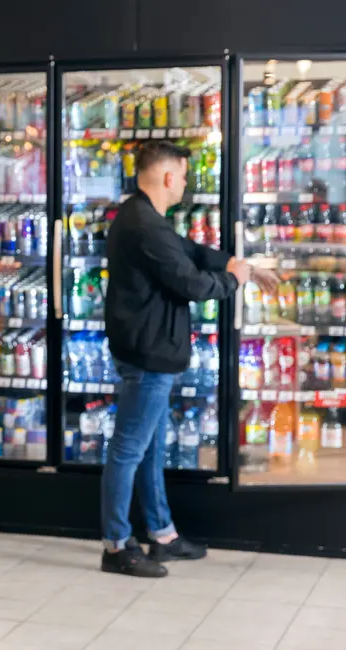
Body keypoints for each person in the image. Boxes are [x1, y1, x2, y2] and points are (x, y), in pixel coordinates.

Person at [102, 140, 277, 578]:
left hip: (149, 350)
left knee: (149, 449)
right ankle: (116, 545)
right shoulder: (144, 225)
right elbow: (194, 283)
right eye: (182, 174)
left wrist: (242, 265)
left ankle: (161, 534)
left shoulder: (141, 215)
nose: (184, 182)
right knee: (127, 451)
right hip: (148, 356)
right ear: (167, 176)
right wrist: (234, 279)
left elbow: (191, 252)